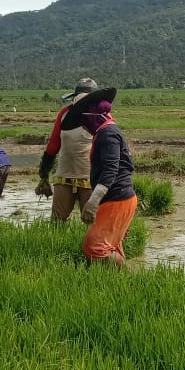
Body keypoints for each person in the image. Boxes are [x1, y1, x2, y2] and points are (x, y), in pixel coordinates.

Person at [69, 85, 137, 268]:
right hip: (118, 198)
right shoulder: (107, 131)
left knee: (95, 248)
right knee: (109, 244)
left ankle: (128, 274)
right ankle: (117, 279)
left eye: (84, 122)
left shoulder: (108, 135)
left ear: (92, 117)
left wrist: (93, 201)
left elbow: (110, 169)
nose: (84, 127)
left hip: (117, 198)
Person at [36, 78, 100, 221]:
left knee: (93, 221)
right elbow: (53, 146)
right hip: (64, 175)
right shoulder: (64, 114)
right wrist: (44, 174)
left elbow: (107, 145)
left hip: (90, 177)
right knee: (57, 221)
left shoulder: (100, 116)